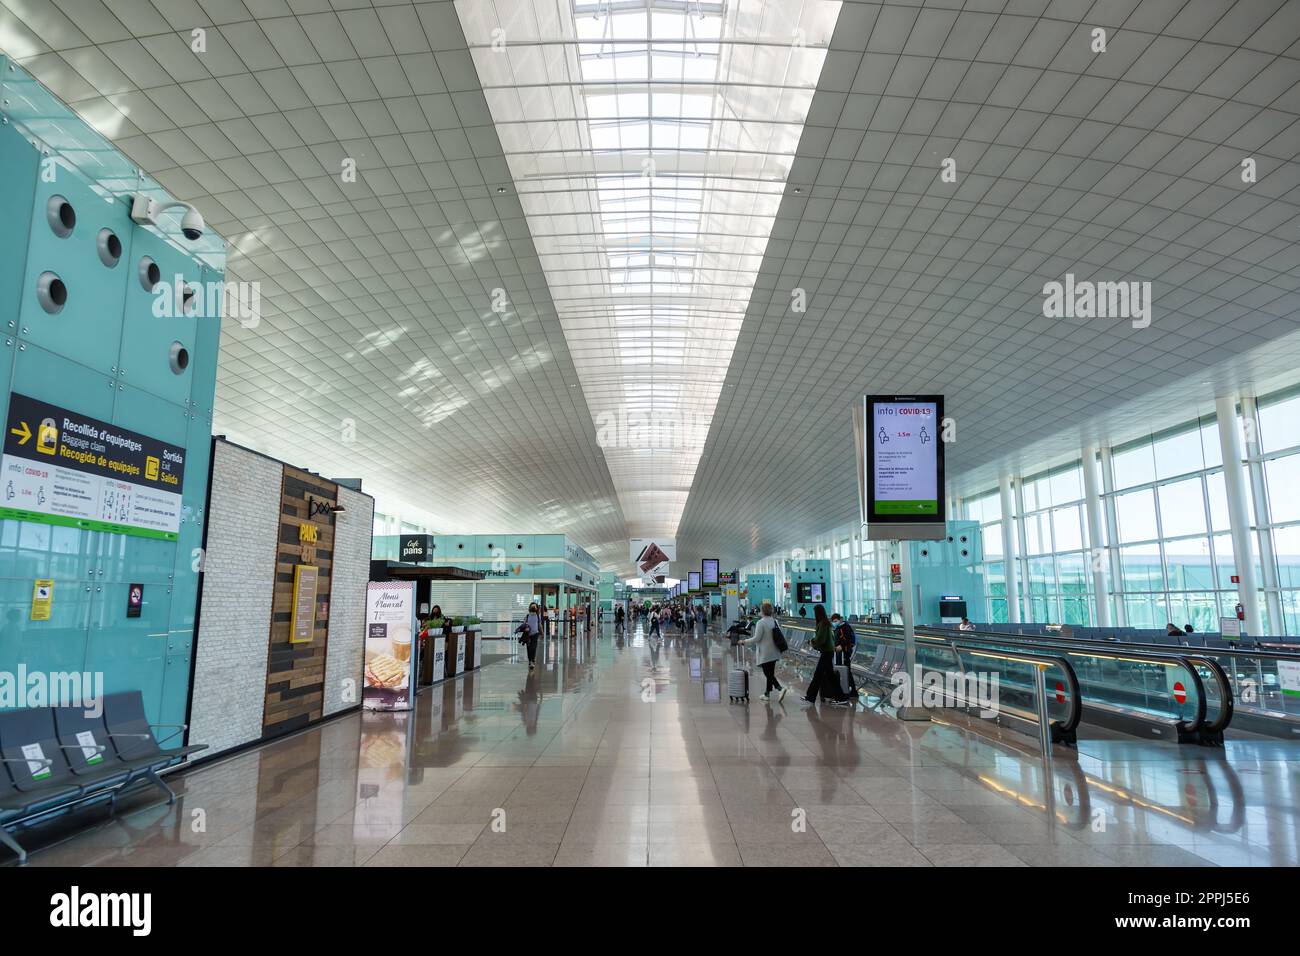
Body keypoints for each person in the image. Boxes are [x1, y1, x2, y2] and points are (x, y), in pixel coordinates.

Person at [739, 600, 787, 702]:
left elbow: (756, 638)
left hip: (765, 652)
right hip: (775, 651)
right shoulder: (775, 621)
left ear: (762, 611)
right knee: (770, 673)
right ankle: (767, 694)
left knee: (768, 674)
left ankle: (780, 688)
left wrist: (744, 641)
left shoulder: (761, 622)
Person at [803, 604, 849, 705]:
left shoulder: (823, 624)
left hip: (826, 653)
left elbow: (821, 639)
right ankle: (841, 697)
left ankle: (810, 697)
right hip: (828, 652)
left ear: (817, 613)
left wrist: (811, 641)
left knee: (818, 675)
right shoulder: (825, 623)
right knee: (830, 676)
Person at [520, 602, 542, 670]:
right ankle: (530, 661)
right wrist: (525, 627)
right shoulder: (527, 616)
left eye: (534, 607)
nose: (533, 608)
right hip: (528, 635)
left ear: (536, 608)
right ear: (530, 608)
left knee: (533, 647)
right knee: (529, 648)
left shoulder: (538, 616)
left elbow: (539, 625)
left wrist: (542, 632)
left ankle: (532, 660)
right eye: (532, 606)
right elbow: (524, 624)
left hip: (535, 634)